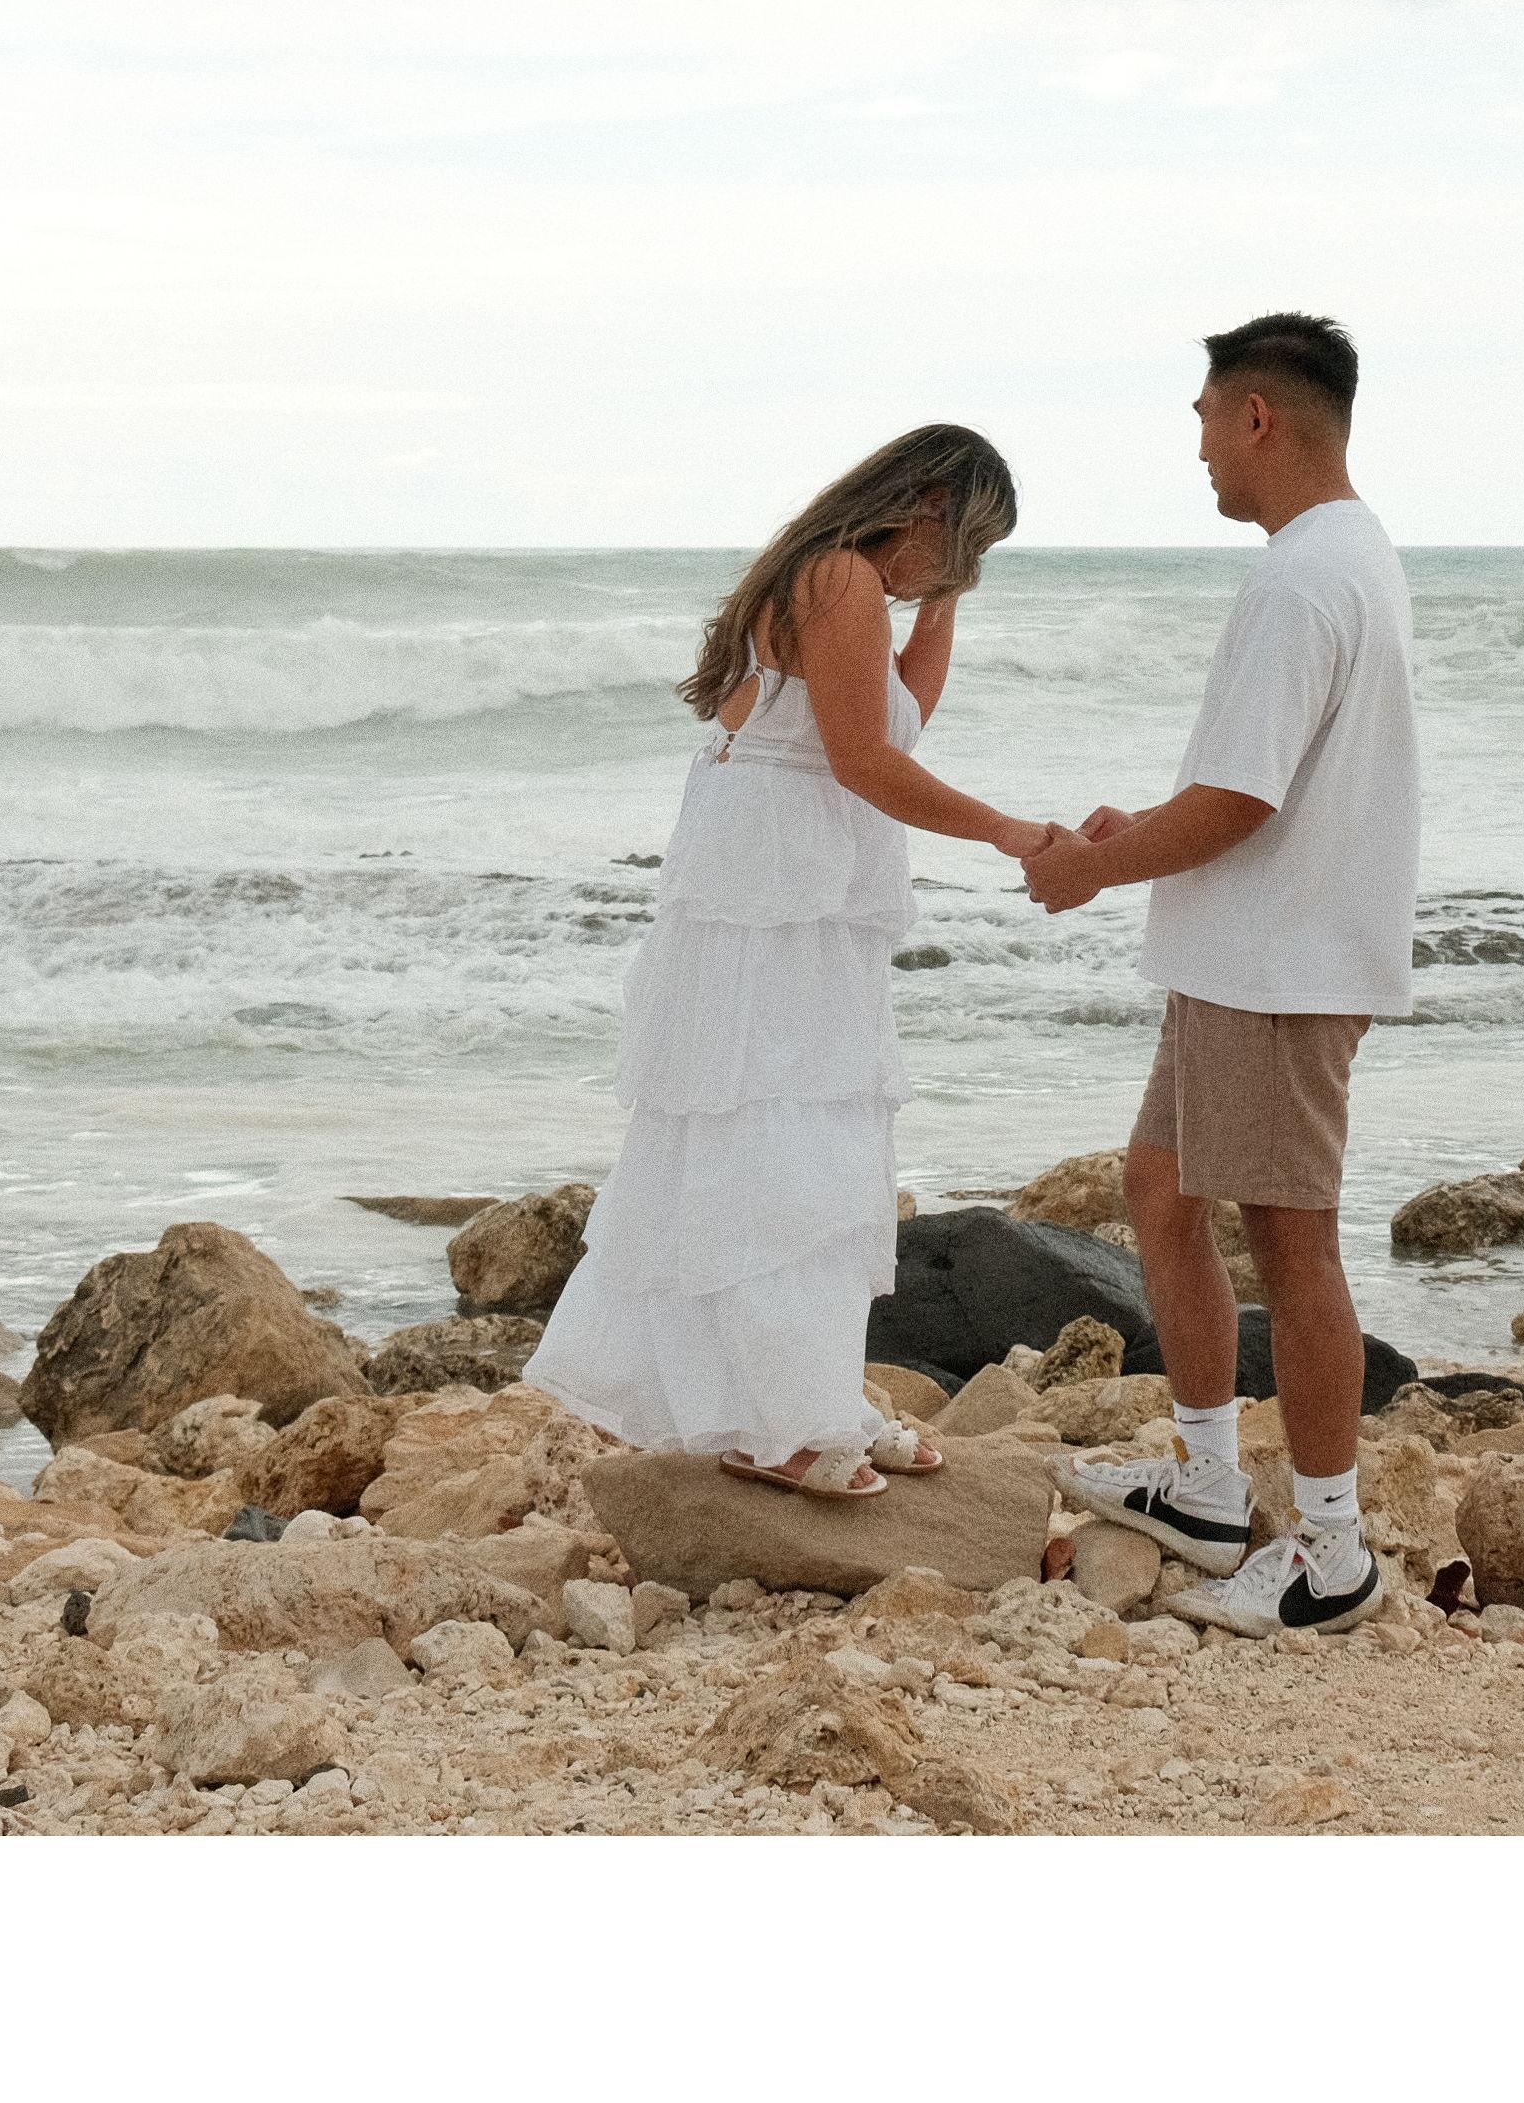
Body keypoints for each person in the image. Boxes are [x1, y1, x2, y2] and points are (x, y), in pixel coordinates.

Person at [530, 424, 1052, 1497]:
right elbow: (866, 762)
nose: (951, 573)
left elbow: (895, 714)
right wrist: (1005, 830)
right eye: (960, 547)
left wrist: (946, 599)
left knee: (806, 1141)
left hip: (790, 891)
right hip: (772, 898)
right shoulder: (836, 577)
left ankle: (805, 1393)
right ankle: (780, 1420)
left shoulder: (841, 580)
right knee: (774, 1150)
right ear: (923, 510)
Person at [1026, 313, 1418, 1634]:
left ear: (1256, 416)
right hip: (1248, 952)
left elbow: (1241, 797)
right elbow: (1251, 786)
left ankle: (1331, 1556)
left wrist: (1099, 864)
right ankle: (1200, 1482)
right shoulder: (1343, 556)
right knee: (1159, 1185)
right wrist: (1134, 836)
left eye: (1202, 417)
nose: (1194, 447)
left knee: (1291, 1249)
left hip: (1277, 965)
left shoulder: (1304, 578)